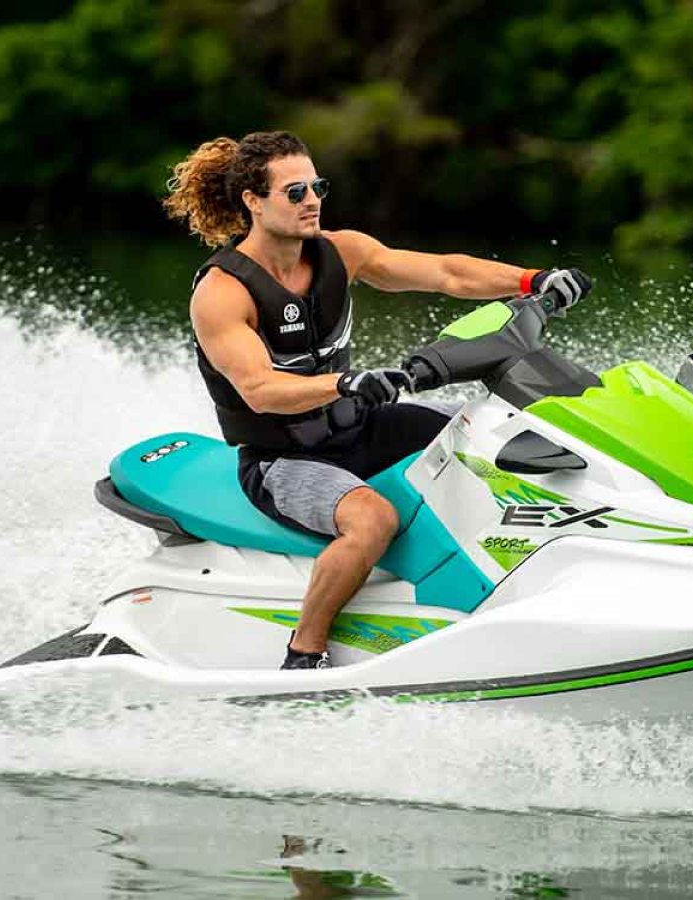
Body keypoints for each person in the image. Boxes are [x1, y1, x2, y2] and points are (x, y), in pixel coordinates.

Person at [163, 130, 591, 669]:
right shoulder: (223, 293)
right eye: (294, 192)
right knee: (372, 520)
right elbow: (261, 390)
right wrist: (344, 384)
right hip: (284, 458)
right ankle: (305, 652)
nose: (312, 200)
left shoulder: (342, 252)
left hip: (358, 426)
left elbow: (447, 272)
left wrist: (532, 279)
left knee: (492, 429)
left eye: (316, 186)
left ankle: (544, 563)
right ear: (253, 201)